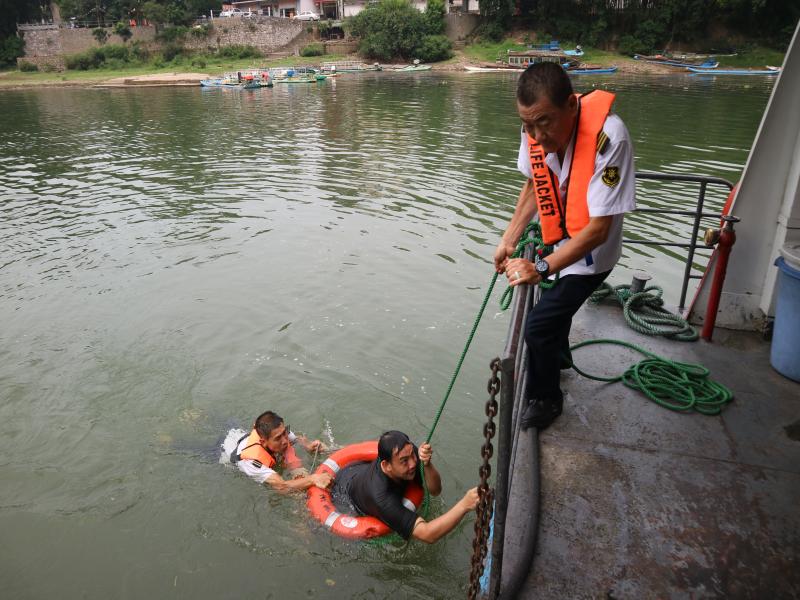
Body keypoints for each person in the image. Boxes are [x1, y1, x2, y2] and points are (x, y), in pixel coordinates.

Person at [494, 62, 636, 430]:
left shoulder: (610, 137)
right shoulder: (533, 131)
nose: (537, 135)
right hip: (557, 240)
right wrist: (508, 241)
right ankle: (557, 357)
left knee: (538, 326)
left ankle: (546, 398)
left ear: (572, 105)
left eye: (545, 122)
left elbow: (599, 229)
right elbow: (532, 187)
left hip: (591, 256)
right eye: (528, 125)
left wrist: (539, 268)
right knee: (553, 316)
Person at [334, 430, 479, 543]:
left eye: (412, 456)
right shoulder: (381, 498)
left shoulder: (408, 453)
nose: (413, 464)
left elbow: (435, 491)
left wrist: (427, 465)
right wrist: (464, 505)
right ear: (386, 465)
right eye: (404, 461)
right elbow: (427, 535)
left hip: (362, 470)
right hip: (344, 489)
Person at [230, 410, 332, 492]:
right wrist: (313, 479)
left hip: (250, 439)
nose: (285, 440)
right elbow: (282, 487)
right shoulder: (252, 463)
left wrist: (309, 446)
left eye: (284, 433)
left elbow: (298, 439)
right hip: (228, 448)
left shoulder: (280, 432)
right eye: (278, 438)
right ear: (264, 442)